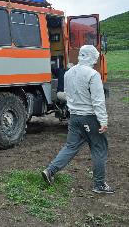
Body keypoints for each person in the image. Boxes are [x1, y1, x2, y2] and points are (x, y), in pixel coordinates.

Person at [42, 45, 114, 194]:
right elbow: (98, 101)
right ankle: (99, 185)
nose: (95, 61)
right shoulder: (93, 75)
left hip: (74, 117)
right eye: (95, 58)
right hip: (89, 117)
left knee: (70, 147)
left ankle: (50, 171)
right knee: (99, 148)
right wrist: (103, 121)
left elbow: (68, 95)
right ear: (92, 57)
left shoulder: (69, 73)